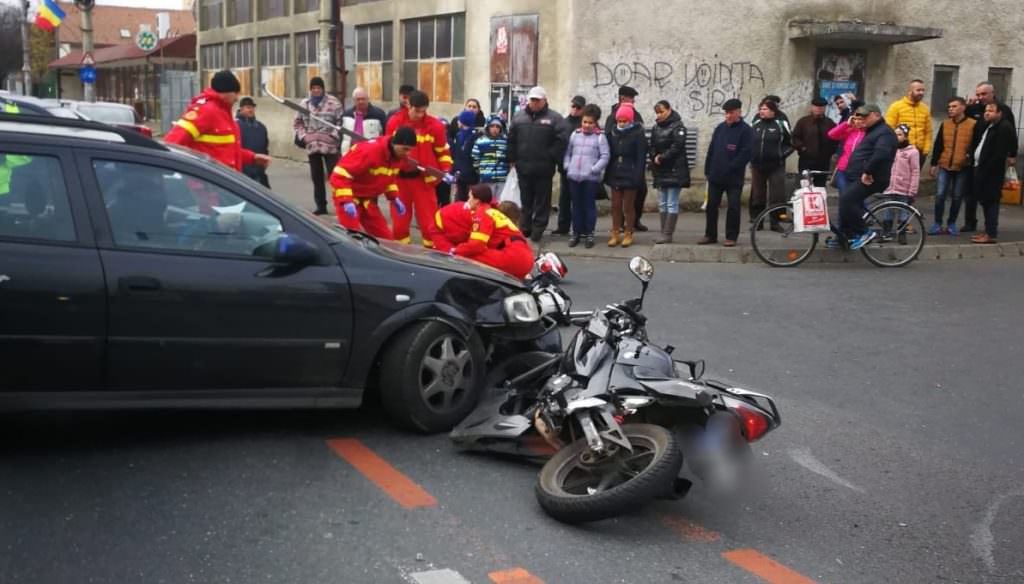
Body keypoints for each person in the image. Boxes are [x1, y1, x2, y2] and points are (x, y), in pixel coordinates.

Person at [165, 70, 270, 175]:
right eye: (236, 93)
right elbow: (172, 142)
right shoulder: (206, 111)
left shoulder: (224, 113)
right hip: (206, 187)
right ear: (226, 92)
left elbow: (227, 151)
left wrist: (252, 157)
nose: (237, 98)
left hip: (224, 183)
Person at [385, 90, 454, 247]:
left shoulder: (435, 126)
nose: (420, 115)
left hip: (424, 181)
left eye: (423, 111)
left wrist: (445, 171)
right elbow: (387, 149)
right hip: (399, 180)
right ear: (408, 104)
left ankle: (431, 256)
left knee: (428, 222)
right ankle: (400, 253)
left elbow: (442, 151)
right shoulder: (394, 123)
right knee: (399, 223)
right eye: (417, 111)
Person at [506, 85, 569, 243]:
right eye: (532, 100)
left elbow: (562, 139)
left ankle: (538, 228)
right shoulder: (519, 117)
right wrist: (512, 158)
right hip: (523, 167)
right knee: (525, 199)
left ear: (544, 100)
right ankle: (525, 227)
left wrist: (551, 156)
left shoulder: (554, 118)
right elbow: (511, 139)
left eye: (537, 100)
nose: (534, 103)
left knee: (542, 200)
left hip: (544, 168)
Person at [328, 127, 415, 239]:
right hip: (349, 198)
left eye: (410, 150)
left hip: (367, 200)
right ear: (395, 143)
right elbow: (340, 174)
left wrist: (394, 197)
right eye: (405, 149)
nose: (408, 153)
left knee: (385, 239)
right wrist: (346, 200)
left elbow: (388, 178)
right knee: (352, 239)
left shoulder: (398, 157)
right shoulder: (370, 151)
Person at [837, 104, 898, 250]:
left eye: (865, 116)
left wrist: (868, 171)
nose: (862, 119)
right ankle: (845, 236)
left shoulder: (885, 133)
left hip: (873, 177)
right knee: (846, 201)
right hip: (859, 175)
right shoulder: (872, 131)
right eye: (860, 116)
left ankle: (864, 232)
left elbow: (881, 154)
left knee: (847, 199)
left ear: (876, 115)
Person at [963, 81, 1018, 232]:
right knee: (970, 193)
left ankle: (990, 230)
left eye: (984, 94)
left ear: (992, 93)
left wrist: (1012, 154)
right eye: (978, 94)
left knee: (989, 197)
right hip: (974, 159)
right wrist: (966, 107)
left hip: (991, 161)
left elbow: (1012, 134)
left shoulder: (1003, 112)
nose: (980, 97)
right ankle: (970, 222)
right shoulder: (974, 109)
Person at [449, 184, 534, 280]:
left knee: (468, 256)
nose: (468, 201)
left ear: (477, 200)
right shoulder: (492, 211)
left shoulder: (482, 213)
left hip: (513, 257)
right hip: (525, 258)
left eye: (469, 198)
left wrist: (454, 251)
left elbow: (476, 245)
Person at [700, 99, 752, 247]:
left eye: (731, 113)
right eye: (726, 113)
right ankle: (710, 235)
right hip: (715, 176)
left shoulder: (746, 130)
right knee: (711, 206)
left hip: (733, 178)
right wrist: (708, 170)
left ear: (738, 112)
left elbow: (746, 154)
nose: (728, 116)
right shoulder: (720, 128)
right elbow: (712, 150)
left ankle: (731, 237)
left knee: (734, 207)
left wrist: (731, 167)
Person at [293, 77, 343, 215]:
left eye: (318, 88)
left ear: (323, 89)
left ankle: (340, 204)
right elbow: (297, 123)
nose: (316, 90)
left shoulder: (333, 102)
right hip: (312, 145)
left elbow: (340, 122)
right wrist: (304, 137)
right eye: (313, 88)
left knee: (335, 176)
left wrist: (333, 136)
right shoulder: (304, 104)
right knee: (317, 177)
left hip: (330, 146)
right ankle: (321, 206)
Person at [563, 103, 609, 249]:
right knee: (575, 206)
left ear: (595, 123)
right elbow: (568, 153)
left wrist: (594, 169)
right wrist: (567, 166)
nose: (587, 125)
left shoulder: (600, 137)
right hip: (574, 177)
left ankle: (589, 233)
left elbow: (605, 156)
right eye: (585, 122)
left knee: (589, 206)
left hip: (590, 178)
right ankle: (576, 233)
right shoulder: (575, 135)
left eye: (590, 122)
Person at [604, 86, 649, 233]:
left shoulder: (636, 114)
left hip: (633, 165)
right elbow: (609, 139)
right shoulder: (613, 116)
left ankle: (635, 221)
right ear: (623, 98)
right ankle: (621, 225)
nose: (633, 101)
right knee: (619, 202)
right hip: (619, 166)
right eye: (631, 98)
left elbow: (641, 134)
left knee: (641, 191)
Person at [928, 97, 976, 236]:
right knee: (940, 195)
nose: (950, 109)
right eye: (949, 107)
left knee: (957, 196)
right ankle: (937, 223)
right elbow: (938, 144)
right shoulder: (946, 124)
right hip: (944, 164)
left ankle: (951, 223)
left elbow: (975, 144)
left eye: (954, 106)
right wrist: (933, 163)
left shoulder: (972, 124)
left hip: (962, 166)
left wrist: (969, 158)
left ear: (963, 107)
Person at [648, 99, 690, 243]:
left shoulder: (678, 127)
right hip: (660, 170)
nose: (659, 115)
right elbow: (652, 145)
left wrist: (662, 157)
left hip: (674, 169)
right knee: (662, 203)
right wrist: (654, 156)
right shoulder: (656, 127)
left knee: (671, 202)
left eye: (661, 112)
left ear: (669, 110)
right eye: (657, 113)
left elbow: (677, 146)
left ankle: (667, 234)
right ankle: (663, 232)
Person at [749, 98, 794, 230]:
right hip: (757, 165)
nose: (761, 112)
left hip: (776, 166)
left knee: (776, 195)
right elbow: (749, 140)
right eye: (761, 109)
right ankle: (758, 222)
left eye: (765, 109)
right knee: (758, 195)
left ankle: (775, 223)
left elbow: (791, 143)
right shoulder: (756, 123)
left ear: (773, 111)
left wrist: (780, 155)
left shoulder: (780, 124)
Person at [554, 95, 588, 236]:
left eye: (578, 107)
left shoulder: (586, 123)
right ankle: (563, 227)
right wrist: (559, 162)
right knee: (564, 199)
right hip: (566, 167)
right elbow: (557, 144)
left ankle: (579, 228)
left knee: (579, 200)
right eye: (573, 106)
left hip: (581, 168)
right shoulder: (563, 123)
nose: (574, 109)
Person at [883, 124, 921, 244]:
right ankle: (887, 232)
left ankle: (902, 233)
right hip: (889, 187)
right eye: (895, 134)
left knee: (903, 212)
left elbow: (915, 171)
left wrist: (912, 191)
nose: (896, 137)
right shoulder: (890, 149)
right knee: (887, 211)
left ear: (906, 137)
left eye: (900, 135)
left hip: (903, 189)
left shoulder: (912, 152)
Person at [884, 79, 932, 168]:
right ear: (910, 91)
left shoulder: (925, 109)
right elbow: (889, 129)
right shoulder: (896, 106)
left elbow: (928, 132)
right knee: (899, 179)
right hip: (901, 151)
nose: (921, 93)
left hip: (919, 153)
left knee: (914, 179)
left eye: (923, 90)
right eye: (918, 90)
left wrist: (925, 151)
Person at [791, 97, 837, 187]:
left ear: (825, 108)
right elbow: (795, 137)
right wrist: (802, 148)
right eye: (816, 107)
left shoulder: (829, 123)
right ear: (812, 107)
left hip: (823, 161)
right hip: (806, 160)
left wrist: (830, 152)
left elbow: (836, 139)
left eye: (821, 107)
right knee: (805, 186)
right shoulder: (803, 122)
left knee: (820, 186)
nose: (818, 109)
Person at [827, 101, 865, 194]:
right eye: (856, 118)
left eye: (861, 119)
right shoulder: (850, 131)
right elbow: (831, 134)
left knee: (857, 198)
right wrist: (846, 124)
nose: (858, 121)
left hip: (859, 171)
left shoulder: (869, 133)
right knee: (844, 196)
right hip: (843, 169)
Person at [472, 115, 510, 201]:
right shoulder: (481, 141)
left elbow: (508, 157)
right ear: (488, 127)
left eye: (497, 127)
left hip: (502, 177)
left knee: (500, 201)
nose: (495, 129)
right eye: (492, 126)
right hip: (487, 177)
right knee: (488, 200)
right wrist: (480, 170)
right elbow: (475, 157)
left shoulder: (505, 142)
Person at [236, 97, 270, 188]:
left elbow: (265, 147)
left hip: (259, 171)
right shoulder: (235, 125)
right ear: (241, 109)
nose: (251, 110)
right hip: (242, 171)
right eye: (248, 107)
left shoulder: (261, 127)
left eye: (252, 107)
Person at [341, 87, 387, 155]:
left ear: (368, 99)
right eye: (358, 99)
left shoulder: (379, 114)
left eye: (363, 99)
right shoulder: (346, 115)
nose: (361, 101)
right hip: (350, 153)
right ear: (354, 100)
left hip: (371, 153)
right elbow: (341, 135)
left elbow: (385, 134)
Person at [451, 110, 481, 200]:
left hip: (472, 176)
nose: (457, 122)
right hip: (460, 176)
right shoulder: (458, 135)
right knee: (459, 201)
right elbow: (456, 155)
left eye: (459, 120)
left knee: (470, 200)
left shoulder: (475, 136)